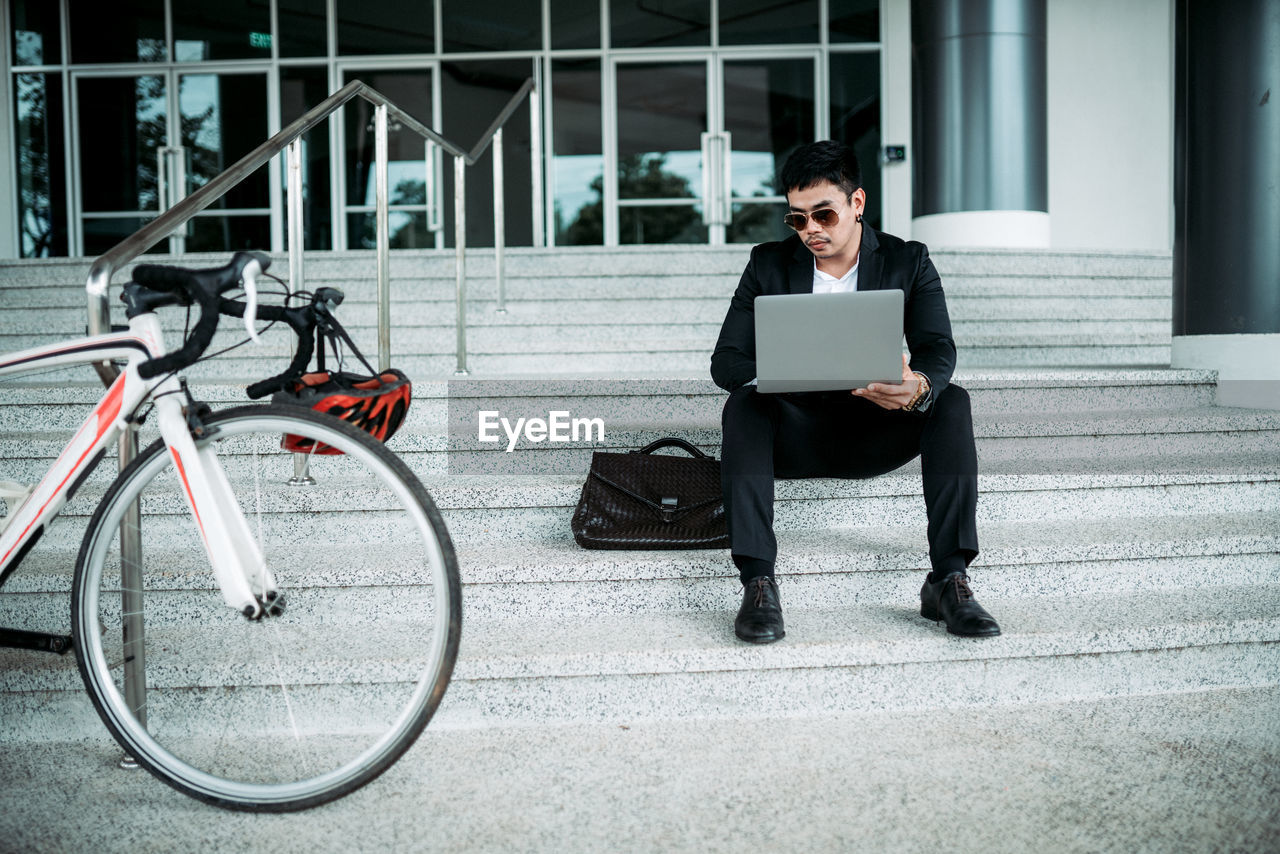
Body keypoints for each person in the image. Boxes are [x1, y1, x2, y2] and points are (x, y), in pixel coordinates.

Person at [710, 140, 1001, 644]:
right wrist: (777, 373)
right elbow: (726, 362)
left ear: (857, 203)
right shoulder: (767, 264)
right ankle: (758, 582)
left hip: (875, 428)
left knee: (952, 401)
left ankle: (949, 580)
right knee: (743, 405)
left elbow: (938, 346)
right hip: (794, 433)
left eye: (823, 214)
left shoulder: (908, 260)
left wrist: (919, 386)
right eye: (797, 220)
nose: (811, 231)